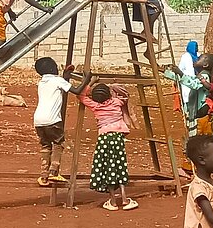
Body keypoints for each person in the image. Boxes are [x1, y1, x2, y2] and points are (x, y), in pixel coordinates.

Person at [80, 80, 137, 211]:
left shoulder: (95, 106)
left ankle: (112, 201)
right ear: (109, 94)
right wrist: (112, 87)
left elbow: (81, 96)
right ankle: (124, 199)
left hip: (104, 139)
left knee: (108, 167)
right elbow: (124, 94)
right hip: (118, 138)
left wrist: (90, 82)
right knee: (120, 166)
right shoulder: (117, 102)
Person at [33, 58, 88, 187]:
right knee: (58, 143)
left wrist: (66, 75)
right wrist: (87, 79)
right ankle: (53, 171)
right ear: (53, 69)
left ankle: (44, 176)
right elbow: (76, 90)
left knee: (46, 147)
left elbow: (60, 84)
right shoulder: (58, 80)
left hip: (39, 121)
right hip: (53, 120)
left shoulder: (42, 82)